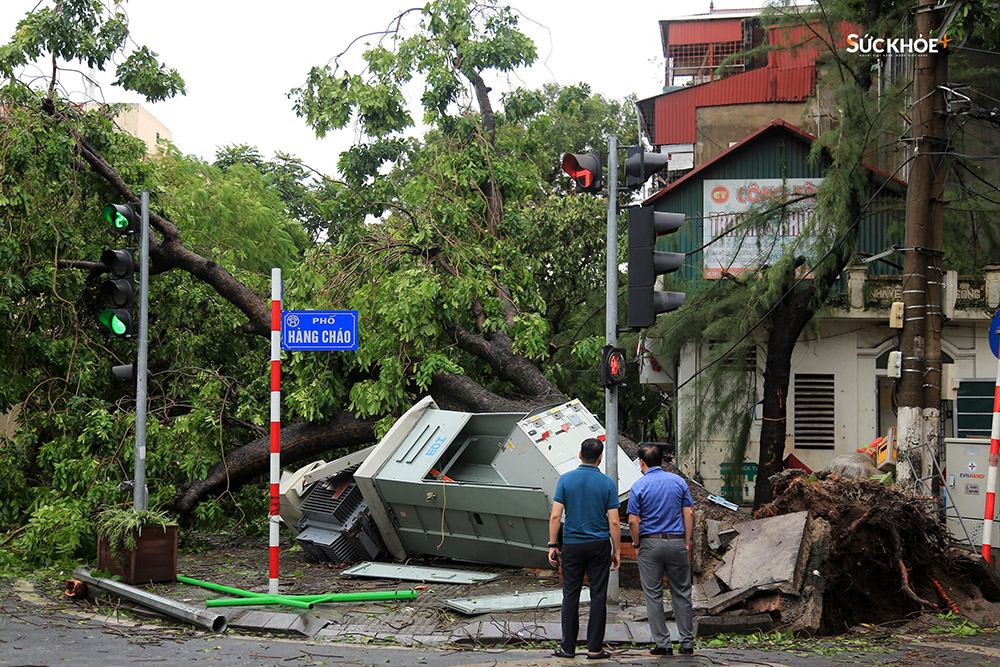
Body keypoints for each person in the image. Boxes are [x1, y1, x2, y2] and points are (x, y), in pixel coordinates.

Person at [548, 437, 621, 660]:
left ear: (580, 455)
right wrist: (616, 550)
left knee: (570, 594)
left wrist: (553, 545)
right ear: (600, 458)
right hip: (599, 545)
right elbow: (615, 522)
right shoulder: (608, 483)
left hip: (572, 545)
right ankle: (594, 648)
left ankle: (568, 648)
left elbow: (555, 516)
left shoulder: (565, 480)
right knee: (598, 596)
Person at [627, 444, 695, 656]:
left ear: (641, 463)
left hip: (650, 544)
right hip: (676, 542)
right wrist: (686, 541)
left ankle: (663, 644)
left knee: (653, 595)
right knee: (682, 593)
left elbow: (632, 521)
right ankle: (687, 642)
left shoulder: (639, 486)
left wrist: (637, 544)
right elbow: (689, 514)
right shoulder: (678, 482)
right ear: (662, 461)